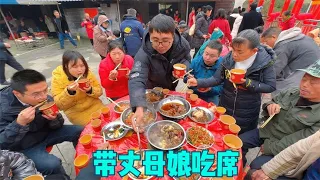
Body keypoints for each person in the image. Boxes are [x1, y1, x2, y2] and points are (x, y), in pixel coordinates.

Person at [187, 29, 276, 134]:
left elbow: (270, 86)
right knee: (221, 133)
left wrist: (247, 83)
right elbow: (217, 78)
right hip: (226, 104)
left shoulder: (264, 63)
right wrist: (198, 82)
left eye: (240, 52)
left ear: (254, 51)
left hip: (247, 110)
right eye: (233, 50)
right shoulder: (229, 59)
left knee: (241, 139)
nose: (234, 54)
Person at [239, 59, 320, 171]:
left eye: (312, 82)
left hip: (284, 147)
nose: (304, 85)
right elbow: (271, 101)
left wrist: (269, 148)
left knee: (256, 169)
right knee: (237, 143)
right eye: (304, 79)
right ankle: (237, 169)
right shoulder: (292, 92)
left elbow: (298, 141)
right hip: (266, 132)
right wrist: (270, 106)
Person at [0, 69, 83, 175]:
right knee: (52, 164)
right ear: (18, 94)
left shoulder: (45, 97)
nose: (43, 96)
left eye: (45, 90)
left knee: (80, 131)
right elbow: (3, 143)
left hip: (45, 133)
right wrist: (19, 124)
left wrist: (54, 120)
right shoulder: (3, 109)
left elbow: (58, 125)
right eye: (36, 94)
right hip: (24, 146)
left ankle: (83, 159)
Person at [128, 14, 191, 130]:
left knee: (170, 113)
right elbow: (137, 77)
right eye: (155, 40)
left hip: (171, 84)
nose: (160, 45)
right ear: (150, 36)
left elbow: (186, 59)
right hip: (152, 86)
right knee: (154, 112)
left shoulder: (183, 45)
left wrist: (184, 68)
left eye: (165, 41)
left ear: (173, 36)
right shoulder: (145, 51)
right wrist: (139, 106)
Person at [51, 50, 105, 126]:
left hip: (95, 105)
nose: (80, 70)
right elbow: (59, 105)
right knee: (93, 128)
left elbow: (99, 92)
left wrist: (90, 90)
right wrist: (69, 92)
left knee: (107, 119)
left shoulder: (87, 72)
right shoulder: (58, 77)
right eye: (75, 67)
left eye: (82, 66)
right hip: (76, 113)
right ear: (66, 66)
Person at [261, 27, 320, 96]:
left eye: (265, 42)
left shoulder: (283, 45)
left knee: (283, 93)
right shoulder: (297, 37)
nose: (265, 45)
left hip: (303, 71)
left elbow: (274, 69)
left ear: (273, 37)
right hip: (314, 67)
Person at [248, 130, 320, 180]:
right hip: (304, 173)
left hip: (279, 142)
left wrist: (270, 147)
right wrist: (268, 171)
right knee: (254, 174)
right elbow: (298, 149)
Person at [188, 40, 224, 104]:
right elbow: (187, 78)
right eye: (206, 53)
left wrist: (211, 89)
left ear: (218, 56)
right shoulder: (195, 61)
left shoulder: (222, 66)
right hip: (195, 92)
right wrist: (188, 79)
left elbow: (222, 87)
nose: (207, 58)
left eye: (212, 56)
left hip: (212, 95)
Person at [0, 150, 70, 179]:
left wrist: (53, 121)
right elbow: (7, 140)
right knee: (52, 163)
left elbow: (19, 161)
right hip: (23, 147)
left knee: (60, 177)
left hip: (38, 138)